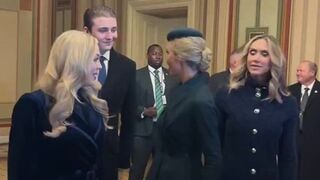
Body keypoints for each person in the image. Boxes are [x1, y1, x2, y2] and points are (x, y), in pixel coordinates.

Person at [8, 30, 108, 180]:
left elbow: (100, 165)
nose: (99, 66)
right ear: (77, 61)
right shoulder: (33, 105)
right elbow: (19, 168)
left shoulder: (93, 104)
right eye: (95, 59)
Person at [215, 35, 299, 180]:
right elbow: (215, 147)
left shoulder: (287, 103)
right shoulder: (226, 95)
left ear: (274, 60)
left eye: (264, 54)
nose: (255, 58)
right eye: (252, 53)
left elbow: (288, 157)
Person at [146, 28, 222, 180]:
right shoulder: (177, 89)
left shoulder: (201, 99)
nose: (166, 59)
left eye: (168, 53)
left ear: (181, 57)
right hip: (162, 170)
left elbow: (213, 158)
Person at [83, 5, 136, 180]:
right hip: (77, 145)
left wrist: (124, 160)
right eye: (103, 30)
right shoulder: (74, 63)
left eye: (114, 30)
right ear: (87, 31)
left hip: (109, 149)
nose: (110, 36)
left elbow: (129, 118)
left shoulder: (127, 66)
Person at [129, 44, 177, 180]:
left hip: (164, 131)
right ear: (147, 55)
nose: (158, 56)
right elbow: (129, 103)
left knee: (162, 170)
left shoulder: (172, 76)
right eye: (154, 53)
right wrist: (144, 111)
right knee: (138, 169)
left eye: (160, 54)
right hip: (142, 132)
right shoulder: (137, 75)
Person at [288, 60, 320, 180]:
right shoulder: (290, 91)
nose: (298, 73)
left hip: (314, 144)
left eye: (301, 70)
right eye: (297, 70)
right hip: (293, 140)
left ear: (312, 73)